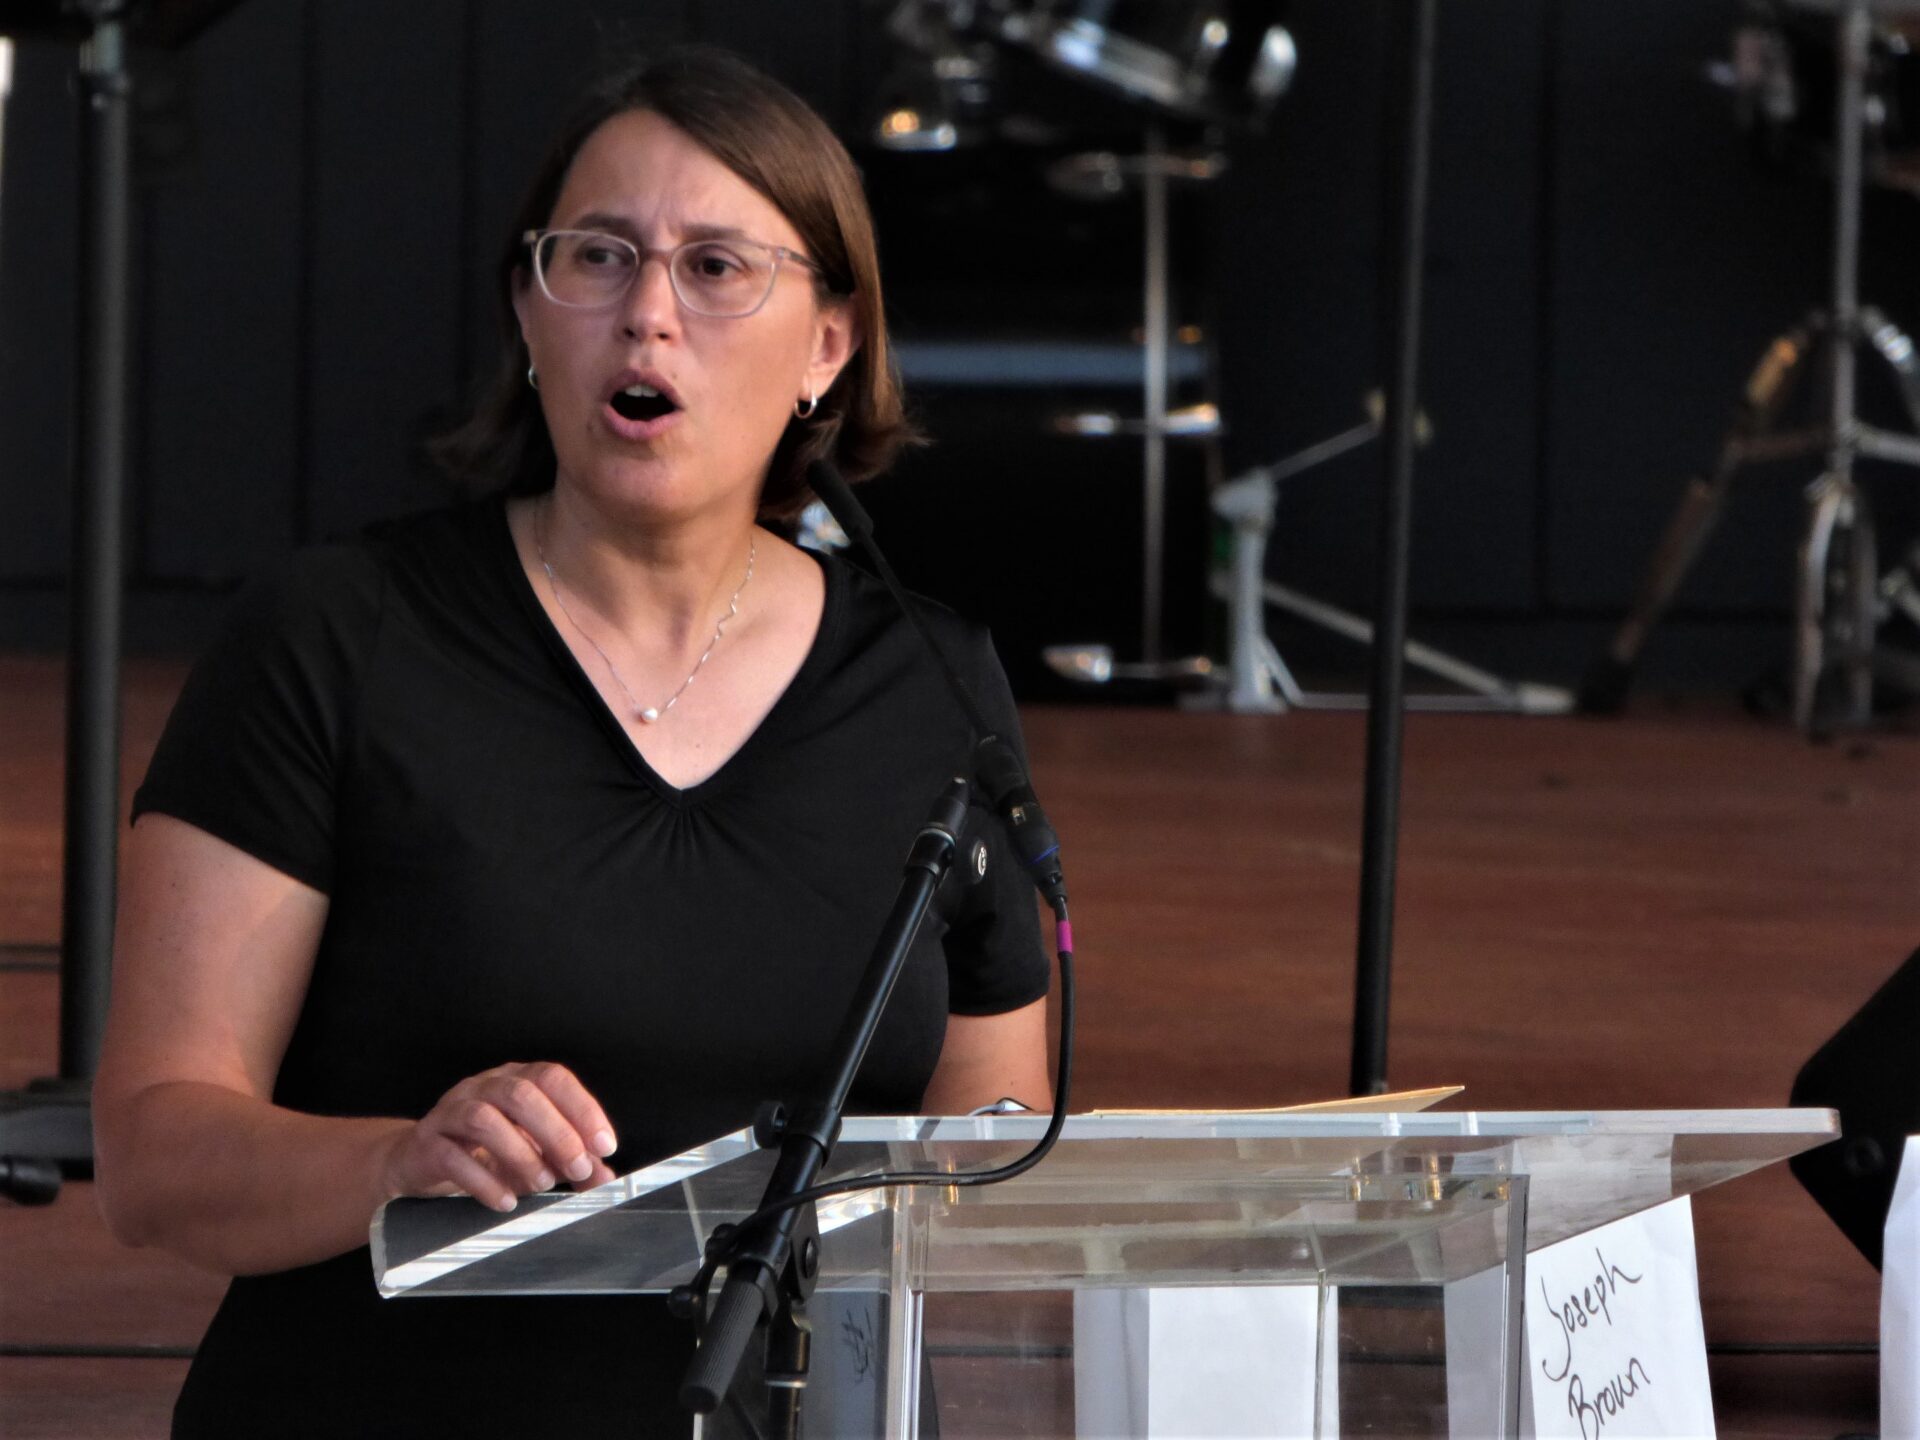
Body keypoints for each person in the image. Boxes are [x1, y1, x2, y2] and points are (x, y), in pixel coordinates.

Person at [92, 46, 1053, 1436]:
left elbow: (996, 1174)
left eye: (718, 267)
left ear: (830, 348)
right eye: (597, 258)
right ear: (528, 317)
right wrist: (397, 1162)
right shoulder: (334, 637)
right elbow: (153, 1153)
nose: (648, 316)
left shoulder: (932, 685)